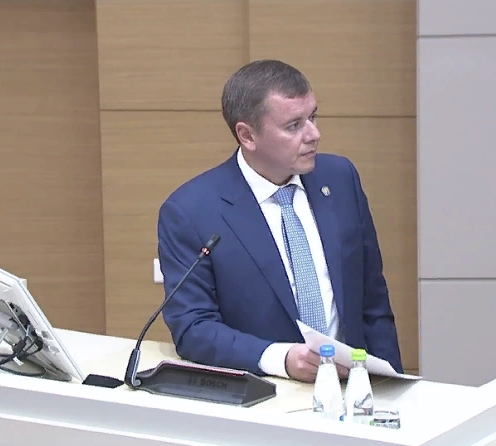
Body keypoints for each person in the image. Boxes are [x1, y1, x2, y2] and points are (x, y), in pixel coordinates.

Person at [156, 59, 403, 382]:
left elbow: (373, 302)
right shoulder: (191, 211)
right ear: (247, 136)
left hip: (353, 387)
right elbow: (193, 328)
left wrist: (391, 385)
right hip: (265, 391)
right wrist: (281, 359)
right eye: (294, 125)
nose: (314, 134)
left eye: (313, 117)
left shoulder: (340, 179)